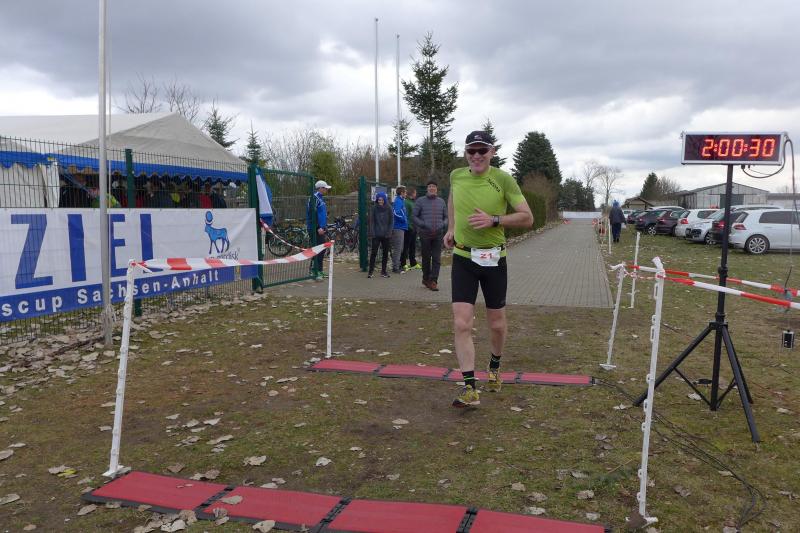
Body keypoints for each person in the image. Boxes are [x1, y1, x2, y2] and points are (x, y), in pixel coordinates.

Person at [444, 130, 533, 408]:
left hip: (494, 259)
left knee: (496, 324)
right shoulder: (456, 176)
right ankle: (470, 388)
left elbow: (527, 217)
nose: (476, 156)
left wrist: (495, 220)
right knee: (462, 323)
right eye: (471, 151)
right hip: (463, 258)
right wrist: (451, 228)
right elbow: (452, 199)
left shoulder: (503, 179)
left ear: (492, 152)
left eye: (482, 150)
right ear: (465, 154)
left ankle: (494, 366)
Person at [413, 180, 448, 291]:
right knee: (426, 258)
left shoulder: (441, 202)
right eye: (430, 186)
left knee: (437, 258)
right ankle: (426, 278)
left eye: (434, 186)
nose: (432, 188)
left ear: (436, 189)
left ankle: (433, 281)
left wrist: (443, 224)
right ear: (427, 188)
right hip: (425, 234)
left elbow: (446, 217)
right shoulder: (420, 201)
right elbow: (414, 216)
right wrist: (423, 224)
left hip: (438, 234)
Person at [307, 179, 332, 280]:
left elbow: (321, 213)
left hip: (321, 228)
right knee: (317, 250)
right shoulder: (314, 198)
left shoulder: (320, 198)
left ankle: (319, 270)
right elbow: (312, 214)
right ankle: (314, 271)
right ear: (320, 188)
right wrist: (318, 227)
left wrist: (323, 224)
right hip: (315, 229)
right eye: (325, 188)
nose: (326, 190)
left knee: (322, 249)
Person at [367, 192, 393, 278]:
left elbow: (391, 221)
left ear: (384, 200)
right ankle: (370, 272)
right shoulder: (374, 208)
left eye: (381, 200)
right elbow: (371, 221)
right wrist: (372, 232)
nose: (380, 201)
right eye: (379, 200)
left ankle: (383, 271)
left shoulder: (389, 208)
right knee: (373, 253)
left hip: (386, 235)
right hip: (376, 235)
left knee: (385, 253)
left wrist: (389, 232)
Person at [401, 187, 420, 272]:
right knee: (406, 246)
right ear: (412, 193)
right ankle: (403, 263)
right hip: (408, 228)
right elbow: (406, 215)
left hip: (414, 227)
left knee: (412, 246)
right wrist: (408, 226)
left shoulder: (413, 202)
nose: (416, 194)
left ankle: (413, 263)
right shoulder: (406, 202)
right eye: (415, 193)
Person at [390, 186, 408, 273]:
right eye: (405, 192)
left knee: (400, 248)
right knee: (398, 248)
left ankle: (397, 265)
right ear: (402, 193)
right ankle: (395, 267)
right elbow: (395, 212)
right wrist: (403, 219)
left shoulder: (401, 201)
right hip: (398, 227)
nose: (406, 194)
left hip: (401, 227)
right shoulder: (398, 201)